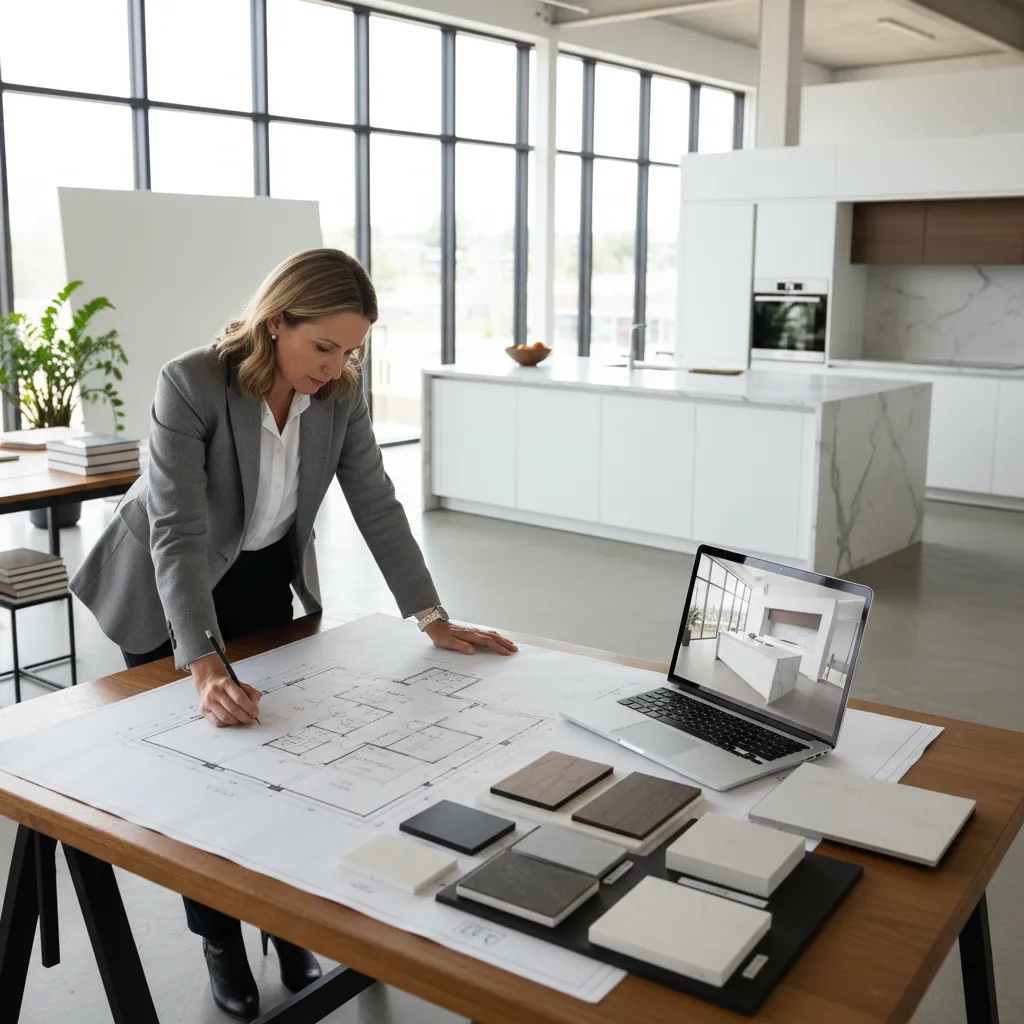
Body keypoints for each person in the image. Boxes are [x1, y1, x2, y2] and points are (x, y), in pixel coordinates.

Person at [70, 247, 517, 1022]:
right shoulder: (191, 382)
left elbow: (376, 500)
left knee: (279, 764)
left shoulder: (338, 392)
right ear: (277, 321)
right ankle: (219, 939)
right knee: (205, 775)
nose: (337, 366)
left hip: (258, 572)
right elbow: (176, 533)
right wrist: (203, 660)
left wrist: (431, 616)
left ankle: (284, 924)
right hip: (164, 584)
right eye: (324, 346)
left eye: (352, 351)